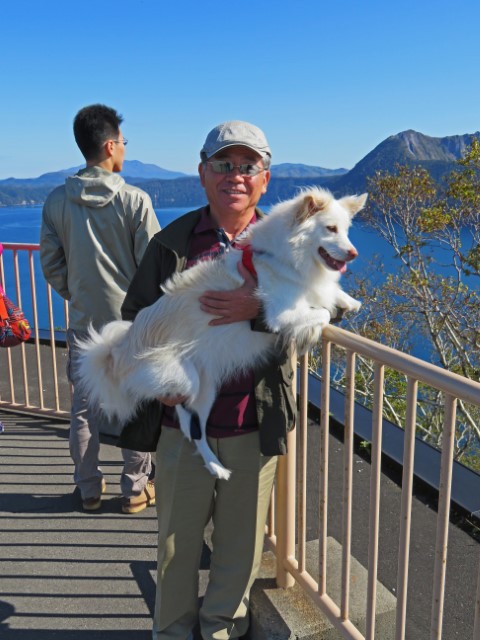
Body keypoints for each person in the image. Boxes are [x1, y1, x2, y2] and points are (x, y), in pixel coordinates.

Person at [119, 121, 296, 639]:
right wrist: (158, 379)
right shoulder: (171, 244)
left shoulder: (287, 248)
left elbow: (309, 325)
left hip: (252, 423)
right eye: (223, 164)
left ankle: (221, 630)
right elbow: (135, 321)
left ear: (266, 179)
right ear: (202, 173)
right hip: (179, 427)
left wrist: (257, 308)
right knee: (175, 545)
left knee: (240, 547)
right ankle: (172, 632)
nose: (234, 176)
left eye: (248, 166)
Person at [40, 104, 161, 513]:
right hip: (131, 326)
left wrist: (76, 294)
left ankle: (89, 489)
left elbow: (50, 262)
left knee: (84, 410)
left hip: (84, 324)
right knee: (137, 404)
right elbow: (155, 267)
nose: (124, 149)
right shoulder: (135, 200)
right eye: (123, 142)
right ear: (110, 145)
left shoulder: (57, 201)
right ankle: (135, 489)